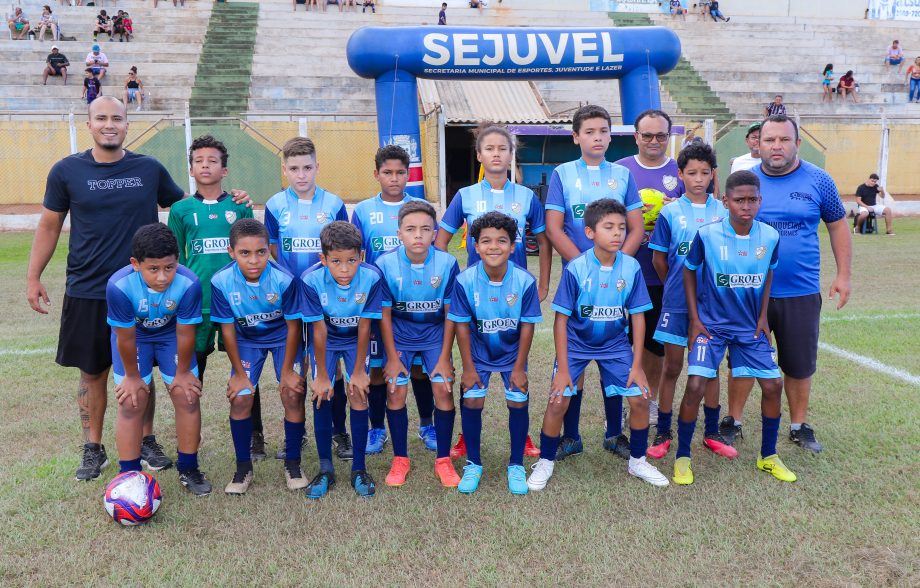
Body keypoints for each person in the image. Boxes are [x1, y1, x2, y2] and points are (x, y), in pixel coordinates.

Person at [27, 97, 185, 481]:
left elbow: (185, 209)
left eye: (117, 118)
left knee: (141, 371)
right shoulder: (67, 171)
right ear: (89, 124)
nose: (109, 124)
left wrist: (231, 200)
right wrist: (33, 276)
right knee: (92, 372)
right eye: (102, 118)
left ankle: (146, 441)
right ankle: (92, 448)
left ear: (127, 124)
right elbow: (49, 226)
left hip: (144, 291)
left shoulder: (148, 169)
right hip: (88, 288)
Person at [724, 114, 850, 453]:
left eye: (783, 140)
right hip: (748, 291)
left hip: (801, 291)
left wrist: (843, 274)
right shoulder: (746, 182)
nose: (776, 146)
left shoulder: (819, 180)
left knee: (798, 363)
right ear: (757, 144)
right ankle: (732, 421)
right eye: (769, 140)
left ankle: (798, 425)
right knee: (743, 359)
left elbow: (838, 225)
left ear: (797, 143)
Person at [527, 199, 668, 491]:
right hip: (577, 344)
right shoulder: (577, 268)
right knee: (557, 401)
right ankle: (546, 461)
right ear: (590, 232)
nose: (617, 233)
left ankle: (638, 461)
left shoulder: (630, 267)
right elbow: (561, 320)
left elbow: (638, 317)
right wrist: (564, 369)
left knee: (640, 398)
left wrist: (638, 365)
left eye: (621, 227)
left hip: (615, 345)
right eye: (609, 227)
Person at [435, 123, 550, 459]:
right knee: (472, 364)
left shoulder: (526, 196)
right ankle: (464, 437)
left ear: (510, 154)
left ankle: (523, 436)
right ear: (479, 155)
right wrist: (457, 282)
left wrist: (542, 283)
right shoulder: (466, 196)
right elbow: (441, 241)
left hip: (514, 295)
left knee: (517, 368)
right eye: (490, 149)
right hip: (476, 297)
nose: (497, 154)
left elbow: (543, 241)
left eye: (503, 148)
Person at [675, 170, 794, 485]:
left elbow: (768, 274)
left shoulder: (769, 236)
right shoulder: (708, 235)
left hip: (749, 328)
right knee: (696, 385)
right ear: (725, 200)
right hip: (711, 326)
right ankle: (683, 457)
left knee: (773, 386)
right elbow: (689, 272)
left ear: (760, 201)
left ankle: (768, 456)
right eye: (739, 200)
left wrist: (763, 316)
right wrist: (695, 319)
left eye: (752, 200)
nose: (746, 206)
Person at [545, 104, 644, 462]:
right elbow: (554, 227)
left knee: (612, 353)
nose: (597, 137)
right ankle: (570, 437)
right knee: (576, 356)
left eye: (603, 130)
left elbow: (635, 227)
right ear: (576, 137)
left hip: (614, 283)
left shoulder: (622, 175)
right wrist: (584, 267)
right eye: (589, 131)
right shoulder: (562, 174)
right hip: (578, 281)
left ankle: (614, 433)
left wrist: (618, 266)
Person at [106, 223, 212, 495]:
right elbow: (125, 338)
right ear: (136, 264)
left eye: (170, 267)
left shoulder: (188, 283)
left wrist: (184, 373)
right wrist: (131, 377)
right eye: (154, 269)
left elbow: (186, 332)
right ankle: (129, 476)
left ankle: (189, 468)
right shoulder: (119, 286)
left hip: (170, 337)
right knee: (132, 401)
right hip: (136, 338)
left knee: (187, 394)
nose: (163, 277)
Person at [265, 137, 350, 460]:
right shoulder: (274, 205)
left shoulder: (333, 204)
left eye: (307, 167)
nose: (302, 175)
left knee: (333, 368)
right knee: (296, 369)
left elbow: (341, 251)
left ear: (317, 167)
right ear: (285, 169)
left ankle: (340, 432)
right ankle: (296, 434)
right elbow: (273, 252)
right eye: (294, 168)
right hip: (291, 302)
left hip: (327, 299)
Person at [447, 212, 543, 495]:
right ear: (475, 246)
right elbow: (461, 327)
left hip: (512, 355)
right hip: (477, 355)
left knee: (516, 402)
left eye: (502, 241)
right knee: (473, 402)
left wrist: (519, 367)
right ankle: (473, 464)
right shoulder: (465, 281)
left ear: (513, 246)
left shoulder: (524, 281)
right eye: (486, 241)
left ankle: (515, 464)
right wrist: (467, 367)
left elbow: (527, 326)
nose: (493, 247)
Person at [350, 145, 435, 455]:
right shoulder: (362, 211)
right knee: (376, 368)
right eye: (388, 172)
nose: (395, 178)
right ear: (377, 174)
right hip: (376, 304)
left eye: (401, 172)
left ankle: (427, 424)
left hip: (412, 303)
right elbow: (357, 255)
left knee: (417, 368)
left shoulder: (421, 206)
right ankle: (376, 429)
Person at [210, 219, 305, 495]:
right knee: (241, 398)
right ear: (231, 252)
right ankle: (243, 468)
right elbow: (227, 330)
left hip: (281, 339)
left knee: (292, 392)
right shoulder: (221, 281)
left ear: (269, 250)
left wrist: (287, 370)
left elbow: (293, 326)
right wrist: (239, 374)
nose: (254, 260)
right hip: (246, 339)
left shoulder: (284, 279)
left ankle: (293, 463)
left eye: (261, 252)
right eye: (245, 253)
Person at [646, 143, 727, 460]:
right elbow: (658, 260)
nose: (698, 179)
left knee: (710, 369)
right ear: (679, 175)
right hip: (677, 303)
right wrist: (676, 289)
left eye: (704, 173)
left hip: (712, 307)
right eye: (691, 172)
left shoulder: (722, 212)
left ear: (712, 175)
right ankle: (663, 431)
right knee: (673, 367)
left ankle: (711, 431)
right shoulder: (670, 212)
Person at [375, 200, 460, 488]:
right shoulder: (385, 264)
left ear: (435, 233)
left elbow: (451, 314)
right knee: (395, 391)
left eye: (425, 229)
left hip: (435, 333)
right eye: (411, 229)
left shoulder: (447, 263)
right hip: (399, 333)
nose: (418, 235)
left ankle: (444, 459)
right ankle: (401, 459)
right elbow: (384, 314)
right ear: (399, 233)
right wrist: (392, 357)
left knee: (443, 389)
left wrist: (446, 356)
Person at [614, 109, 684, 455]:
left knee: (653, 345)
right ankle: (622, 404)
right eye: (647, 135)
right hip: (623, 273)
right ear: (636, 136)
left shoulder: (681, 172)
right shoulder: (620, 170)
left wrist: (676, 208)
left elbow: (699, 210)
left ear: (668, 137)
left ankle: (648, 399)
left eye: (661, 136)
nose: (654, 141)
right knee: (619, 342)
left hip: (661, 275)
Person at [300, 222, 385, 498]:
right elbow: (319, 330)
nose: (345, 269)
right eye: (336, 261)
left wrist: (359, 371)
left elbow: (364, 326)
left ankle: (359, 468)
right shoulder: (310, 279)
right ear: (323, 259)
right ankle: (326, 469)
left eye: (352, 260)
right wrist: (322, 374)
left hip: (355, 340)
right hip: (326, 340)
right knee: (322, 393)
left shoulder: (371, 277)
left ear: (361, 256)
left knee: (359, 393)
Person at [167, 135, 253, 399]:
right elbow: (176, 258)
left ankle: (254, 434)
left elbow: (250, 253)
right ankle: (190, 438)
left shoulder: (239, 207)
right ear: (191, 169)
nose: (205, 165)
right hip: (197, 302)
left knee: (246, 371)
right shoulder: (180, 210)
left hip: (235, 301)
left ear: (224, 170)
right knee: (192, 375)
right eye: (198, 161)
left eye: (212, 161)